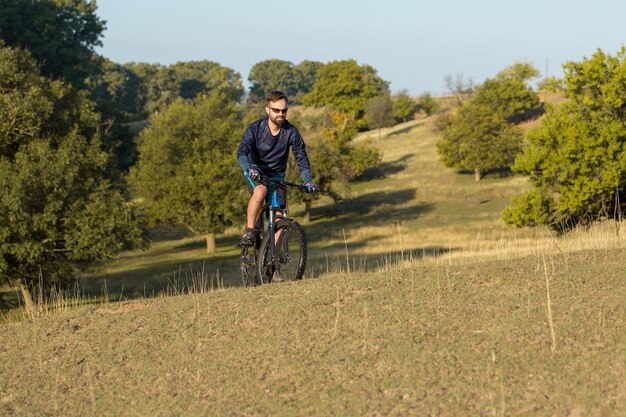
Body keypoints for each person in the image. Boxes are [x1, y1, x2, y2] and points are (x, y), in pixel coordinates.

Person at [237, 90, 317, 246]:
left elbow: (301, 157)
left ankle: (274, 264)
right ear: (268, 110)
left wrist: (307, 181)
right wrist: (247, 167)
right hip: (255, 172)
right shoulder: (255, 129)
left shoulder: (291, 132)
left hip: (277, 177)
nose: (280, 113)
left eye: (284, 110)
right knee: (260, 192)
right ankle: (250, 231)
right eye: (276, 110)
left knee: (279, 217)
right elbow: (242, 151)